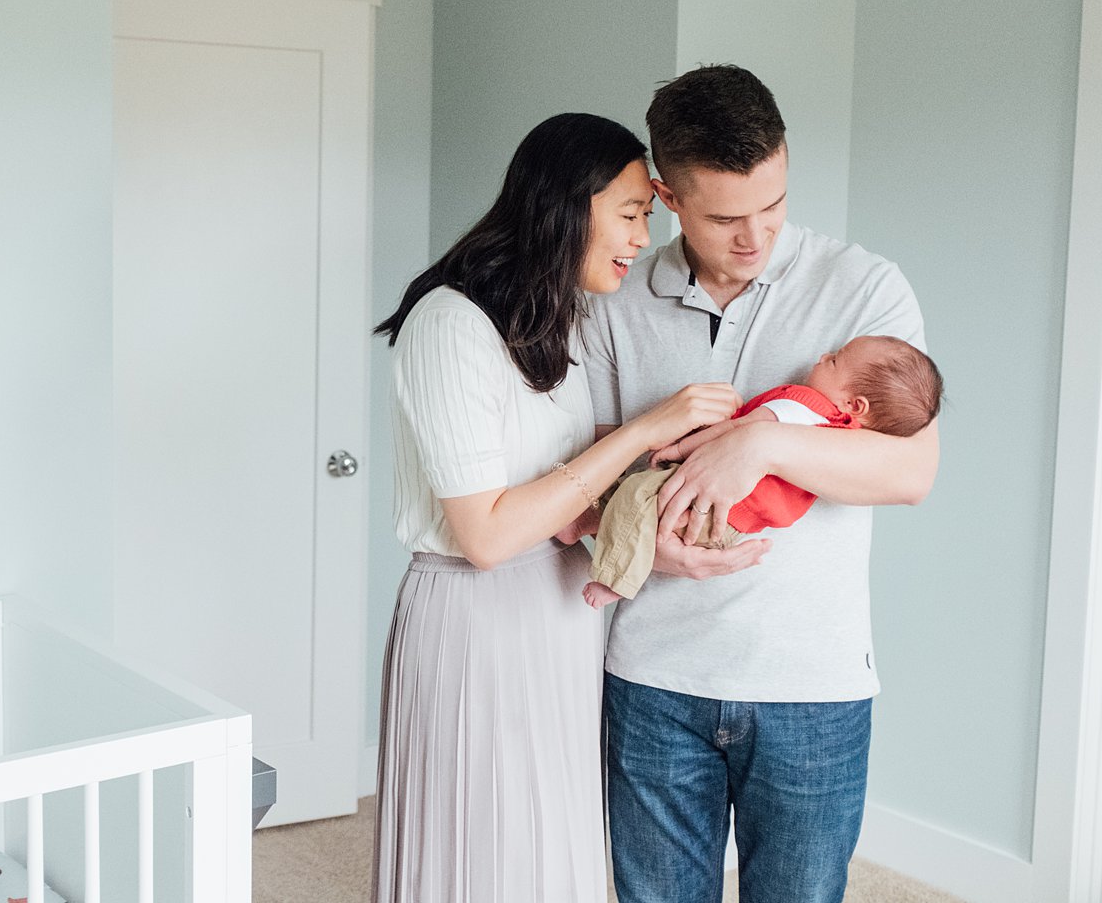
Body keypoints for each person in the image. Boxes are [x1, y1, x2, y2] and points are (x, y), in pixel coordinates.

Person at [368, 112, 760, 903]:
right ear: (566, 206)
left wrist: (655, 526)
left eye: (647, 216)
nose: (640, 237)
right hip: (476, 620)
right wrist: (645, 430)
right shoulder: (450, 324)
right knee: (485, 848)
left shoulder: (559, 324)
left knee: (550, 846)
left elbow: (560, 498)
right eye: (629, 213)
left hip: (557, 614)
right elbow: (488, 534)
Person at [582, 65, 940, 903]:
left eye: (773, 206)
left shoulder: (865, 289)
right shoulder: (616, 296)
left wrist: (760, 444)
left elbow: (910, 470)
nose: (757, 237)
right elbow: (582, 467)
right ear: (668, 197)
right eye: (725, 217)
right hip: (654, 678)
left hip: (810, 686)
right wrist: (632, 540)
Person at [583, 335, 944, 605]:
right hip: (730, 527)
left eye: (834, 361)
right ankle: (590, 522)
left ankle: (614, 580)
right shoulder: (841, 441)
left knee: (636, 493)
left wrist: (677, 448)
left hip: (705, 505)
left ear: (854, 403)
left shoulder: (804, 404)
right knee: (636, 502)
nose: (823, 356)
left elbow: (734, 432)